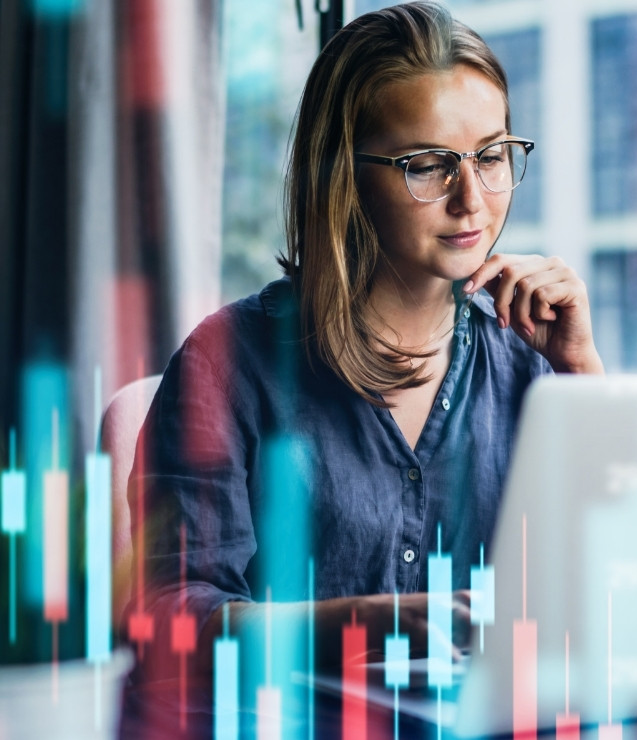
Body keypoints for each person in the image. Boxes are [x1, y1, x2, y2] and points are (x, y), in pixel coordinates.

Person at [125, 0, 603, 692]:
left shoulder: (531, 356)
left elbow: (629, 586)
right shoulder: (226, 363)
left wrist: (582, 373)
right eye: (428, 165)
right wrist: (361, 624)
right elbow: (167, 625)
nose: (473, 199)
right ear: (342, 174)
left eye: (493, 156)